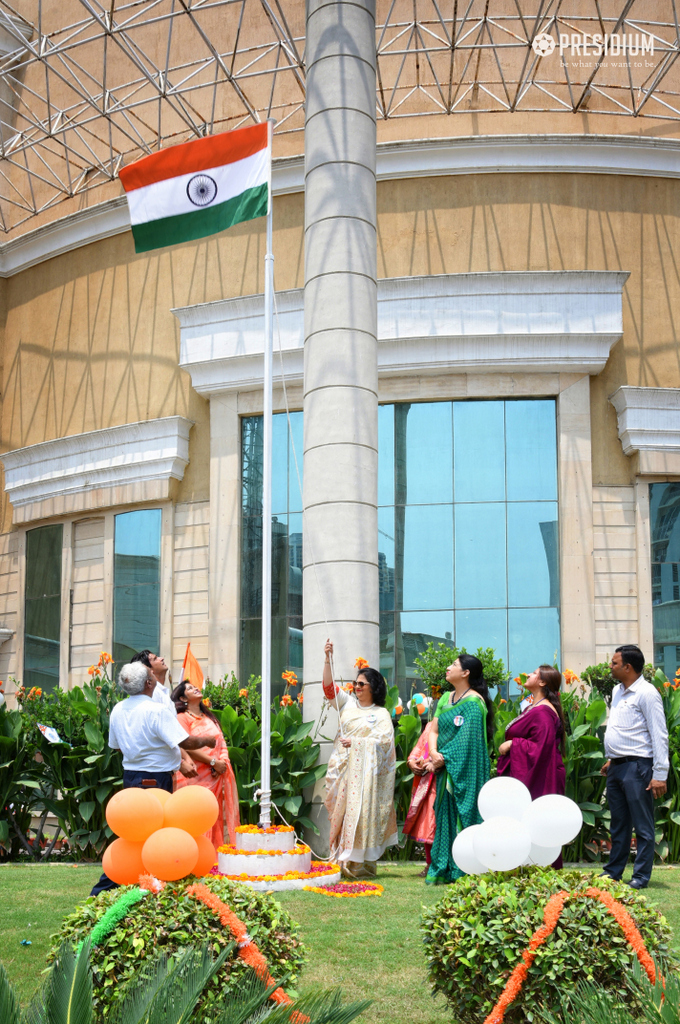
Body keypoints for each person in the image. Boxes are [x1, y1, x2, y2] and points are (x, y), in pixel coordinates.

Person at [89, 662, 216, 896]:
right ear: (149, 683)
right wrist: (207, 741)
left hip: (131, 776)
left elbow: (116, 747)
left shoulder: (118, 710)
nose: (154, 676)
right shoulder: (155, 710)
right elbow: (185, 742)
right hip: (155, 778)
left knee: (132, 835)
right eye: (151, 675)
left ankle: (108, 890)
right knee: (154, 835)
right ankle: (143, 886)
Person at [322, 640, 397, 879]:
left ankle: (358, 865)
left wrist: (357, 743)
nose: (357, 687)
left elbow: (385, 742)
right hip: (341, 769)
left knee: (361, 815)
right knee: (339, 815)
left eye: (362, 684)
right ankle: (338, 859)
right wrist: (328, 658)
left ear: (373, 687)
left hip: (365, 776)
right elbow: (328, 688)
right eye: (355, 683)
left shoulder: (381, 713)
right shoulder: (347, 704)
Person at [600, 645, 669, 890]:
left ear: (628, 667)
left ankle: (640, 876)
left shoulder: (647, 693)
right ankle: (613, 873)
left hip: (638, 767)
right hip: (618, 767)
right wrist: (612, 758)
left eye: (614, 663)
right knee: (618, 824)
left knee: (642, 824)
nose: (610, 666)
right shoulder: (617, 691)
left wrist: (660, 774)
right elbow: (624, 730)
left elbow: (659, 734)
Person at [425, 654, 492, 884]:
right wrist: (433, 753)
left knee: (464, 813)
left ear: (466, 673)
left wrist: (443, 758)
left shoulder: (474, 703)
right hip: (444, 767)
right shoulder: (445, 698)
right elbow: (433, 730)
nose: (447, 667)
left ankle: (466, 866)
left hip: (465, 769)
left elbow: (467, 740)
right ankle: (444, 866)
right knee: (444, 814)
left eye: (453, 665)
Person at [171, 680, 240, 851]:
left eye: (195, 686)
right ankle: (195, 855)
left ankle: (216, 856)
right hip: (194, 777)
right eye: (189, 688)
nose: (195, 688)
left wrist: (222, 763)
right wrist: (213, 762)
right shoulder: (182, 718)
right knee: (197, 817)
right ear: (182, 697)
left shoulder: (209, 717)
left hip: (216, 774)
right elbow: (184, 745)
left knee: (215, 817)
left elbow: (221, 742)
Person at [496, 665, 566, 798]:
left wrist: (513, 744)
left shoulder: (543, 712)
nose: (528, 674)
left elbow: (541, 748)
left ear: (542, 682)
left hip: (541, 778)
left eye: (534, 673)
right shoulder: (533, 707)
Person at [132, 649, 197, 778]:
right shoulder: (152, 695)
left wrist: (185, 757)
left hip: (164, 770)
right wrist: (181, 762)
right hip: (154, 772)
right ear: (147, 670)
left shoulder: (162, 693)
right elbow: (158, 735)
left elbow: (171, 734)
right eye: (155, 659)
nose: (162, 658)